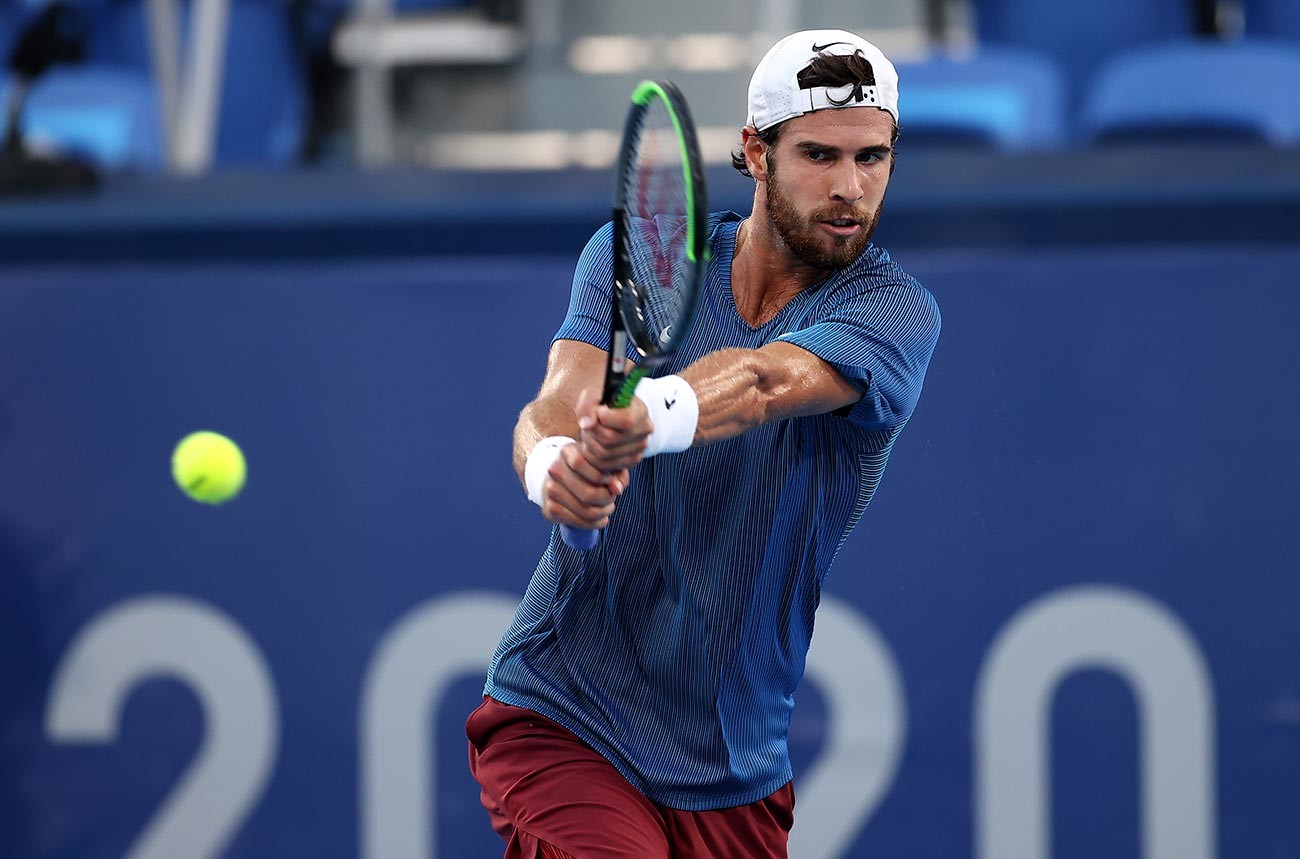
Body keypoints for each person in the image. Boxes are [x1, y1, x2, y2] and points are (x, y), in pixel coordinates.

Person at [467, 28, 940, 859]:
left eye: (873, 159)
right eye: (820, 155)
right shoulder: (637, 257)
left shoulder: (896, 313)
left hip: (732, 770)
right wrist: (553, 470)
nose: (850, 188)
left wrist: (647, 418)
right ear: (755, 153)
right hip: (566, 712)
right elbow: (554, 403)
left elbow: (767, 381)